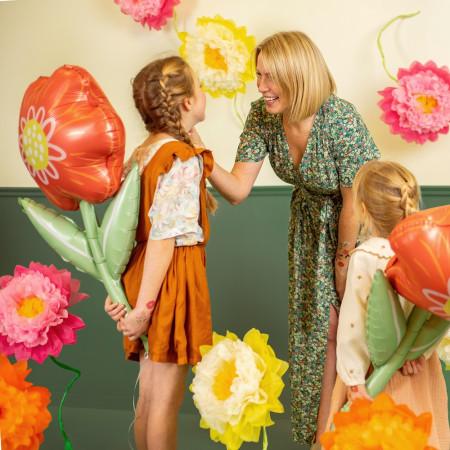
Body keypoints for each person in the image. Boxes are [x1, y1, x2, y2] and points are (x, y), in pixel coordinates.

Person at [203, 31, 380, 446]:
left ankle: (341, 434)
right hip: (308, 228)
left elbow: (355, 202)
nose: (260, 86)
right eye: (258, 75)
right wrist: (199, 151)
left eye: (270, 77)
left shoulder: (339, 119)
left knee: (344, 332)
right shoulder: (263, 115)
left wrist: (344, 262)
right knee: (317, 335)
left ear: (298, 76)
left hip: (358, 227)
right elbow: (237, 189)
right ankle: (322, 435)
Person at [104, 55, 217, 450]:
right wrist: (144, 309)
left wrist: (121, 291)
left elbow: (123, 232)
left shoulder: (143, 153)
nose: (204, 93)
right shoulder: (180, 158)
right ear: (187, 102)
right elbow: (163, 239)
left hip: (142, 276)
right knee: (164, 403)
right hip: (169, 282)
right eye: (200, 87)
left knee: (148, 399)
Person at [324, 160, 449, 449]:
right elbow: (439, 311)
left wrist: (354, 380)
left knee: (373, 438)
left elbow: (354, 324)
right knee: (415, 436)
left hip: (371, 371)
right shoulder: (428, 252)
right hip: (417, 368)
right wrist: (420, 353)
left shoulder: (366, 257)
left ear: (362, 209)